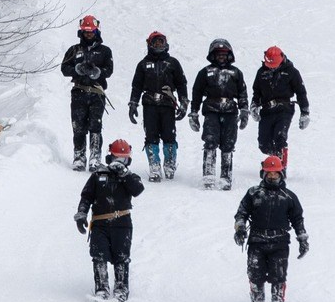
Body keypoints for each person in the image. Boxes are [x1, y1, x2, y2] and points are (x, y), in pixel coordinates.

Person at [233, 156, 307, 302]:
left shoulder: (288, 197)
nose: (273, 177)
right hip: (257, 241)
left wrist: (302, 238)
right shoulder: (253, 193)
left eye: (276, 174)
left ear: (281, 174)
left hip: (279, 242)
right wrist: (240, 229)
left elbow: (297, 219)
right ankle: (257, 296)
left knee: (278, 276)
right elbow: (241, 213)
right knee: (254, 272)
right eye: (269, 174)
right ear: (263, 174)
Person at [75, 139, 143, 302]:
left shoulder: (130, 178)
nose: (119, 163)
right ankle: (102, 288)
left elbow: (138, 190)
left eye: (124, 160)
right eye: (117, 159)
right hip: (100, 224)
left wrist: (124, 175)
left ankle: (121, 288)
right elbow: (86, 196)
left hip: (122, 223)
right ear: (109, 158)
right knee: (99, 255)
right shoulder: (98, 176)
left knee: (122, 257)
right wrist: (81, 214)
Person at [126, 31, 189, 181]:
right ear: (150, 44)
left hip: (168, 105)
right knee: (151, 136)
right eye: (156, 42)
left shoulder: (173, 63)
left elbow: (181, 84)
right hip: (149, 105)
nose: (159, 44)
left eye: (162, 41)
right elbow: (136, 86)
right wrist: (133, 104)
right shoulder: (142, 64)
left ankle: (169, 165)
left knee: (169, 135)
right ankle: (154, 167)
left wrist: (184, 103)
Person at [191, 38, 250, 189]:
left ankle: (226, 176)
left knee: (228, 144)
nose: (221, 57)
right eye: (218, 54)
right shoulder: (205, 72)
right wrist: (194, 113)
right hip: (211, 110)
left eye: (224, 54)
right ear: (213, 55)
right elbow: (196, 93)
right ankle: (209, 174)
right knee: (210, 140)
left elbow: (243, 93)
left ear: (229, 55)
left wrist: (244, 111)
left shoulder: (236, 73)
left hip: (230, 111)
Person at [60, 15, 114, 171]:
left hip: (97, 93)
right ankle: (79, 156)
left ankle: (95, 157)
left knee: (95, 126)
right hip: (79, 92)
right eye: (86, 32)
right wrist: (77, 69)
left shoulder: (105, 51)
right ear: (81, 32)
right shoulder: (74, 50)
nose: (88, 34)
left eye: (91, 32)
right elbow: (64, 68)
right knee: (78, 126)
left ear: (96, 31)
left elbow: (109, 70)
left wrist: (98, 72)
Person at [251, 45, 310, 169]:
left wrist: (305, 112)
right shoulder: (261, 72)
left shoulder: (291, 72)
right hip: (266, 110)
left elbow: (301, 92)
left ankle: (280, 167)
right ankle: (274, 159)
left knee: (280, 137)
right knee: (263, 144)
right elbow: (256, 91)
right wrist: (254, 105)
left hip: (284, 109)